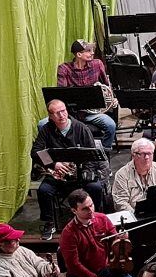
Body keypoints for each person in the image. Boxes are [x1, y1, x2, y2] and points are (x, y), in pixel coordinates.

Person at [31, 99, 108, 239]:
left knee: (95, 187)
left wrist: (86, 172)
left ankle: (95, 219)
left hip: (80, 174)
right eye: (57, 113)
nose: (61, 115)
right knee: (44, 190)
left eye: (63, 111)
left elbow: (92, 155)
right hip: (58, 174)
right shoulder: (46, 130)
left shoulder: (81, 128)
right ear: (50, 116)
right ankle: (49, 222)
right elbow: (35, 152)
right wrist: (54, 164)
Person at [56, 40, 116, 149]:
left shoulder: (97, 64)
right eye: (88, 51)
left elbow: (106, 85)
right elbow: (62, 94)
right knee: (42, 124)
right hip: (71, 114)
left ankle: (103, 152)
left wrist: (112, 98)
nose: (92, 53)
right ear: (79, 54)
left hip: (92, 113)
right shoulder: (64, 69)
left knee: (111, 125)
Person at [112, 138, 156, 213]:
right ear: (133, 155)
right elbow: (120, 202)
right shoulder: (122, 175)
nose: (147, 157)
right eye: (143, 154)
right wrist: (136, 215)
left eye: (149, 153)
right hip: (134, 215)